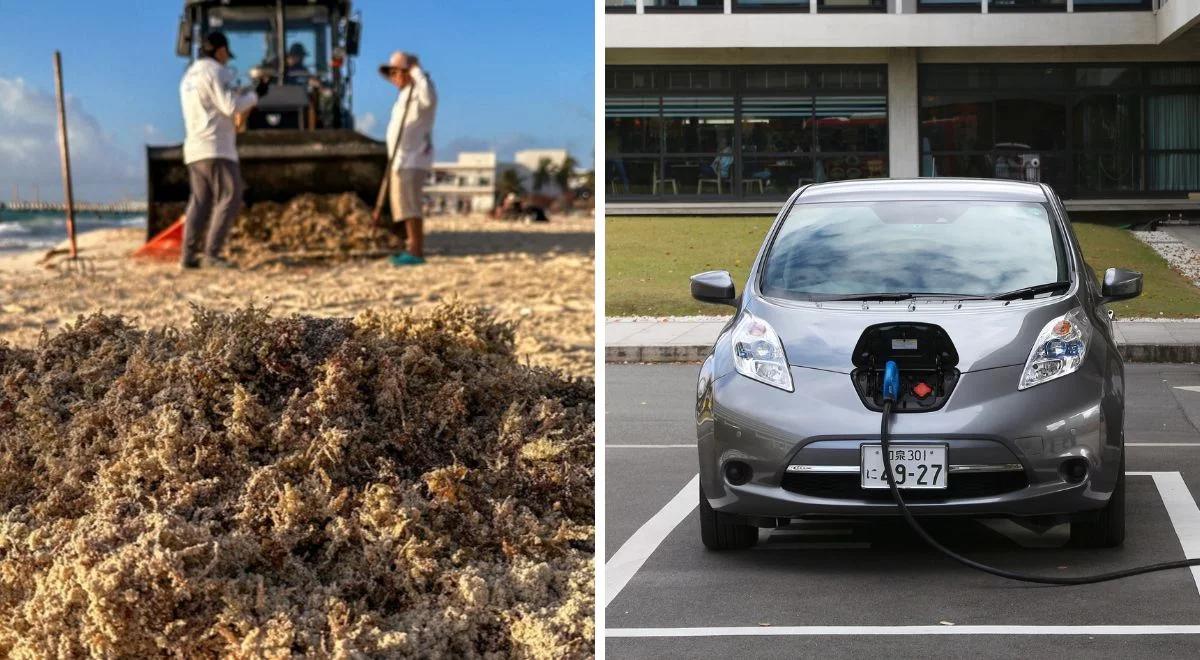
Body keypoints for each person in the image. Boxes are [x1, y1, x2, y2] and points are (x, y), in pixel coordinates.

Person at [178, 31, 266, 269]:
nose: (227, 59)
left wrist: (244, 93)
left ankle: (188, 255)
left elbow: (217, 101)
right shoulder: (216, 71)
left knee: (200, 201)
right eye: (226, 54)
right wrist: (256, 95)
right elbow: (229, 106)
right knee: (230, 195)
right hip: (217, 147)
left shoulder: (188, 77)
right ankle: (212, 254)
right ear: (220, 51)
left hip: (195, 148)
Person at [377, 50, 437, 266]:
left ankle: (416, 250)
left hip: (412, 159)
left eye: (397, 71)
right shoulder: (404, 94)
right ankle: (411, 246)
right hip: (400, 159)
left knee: (411, 207)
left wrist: (416, 71)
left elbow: (429, 100)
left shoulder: (422, 90)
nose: (394, 77)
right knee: (403, 206)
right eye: (391, 73)